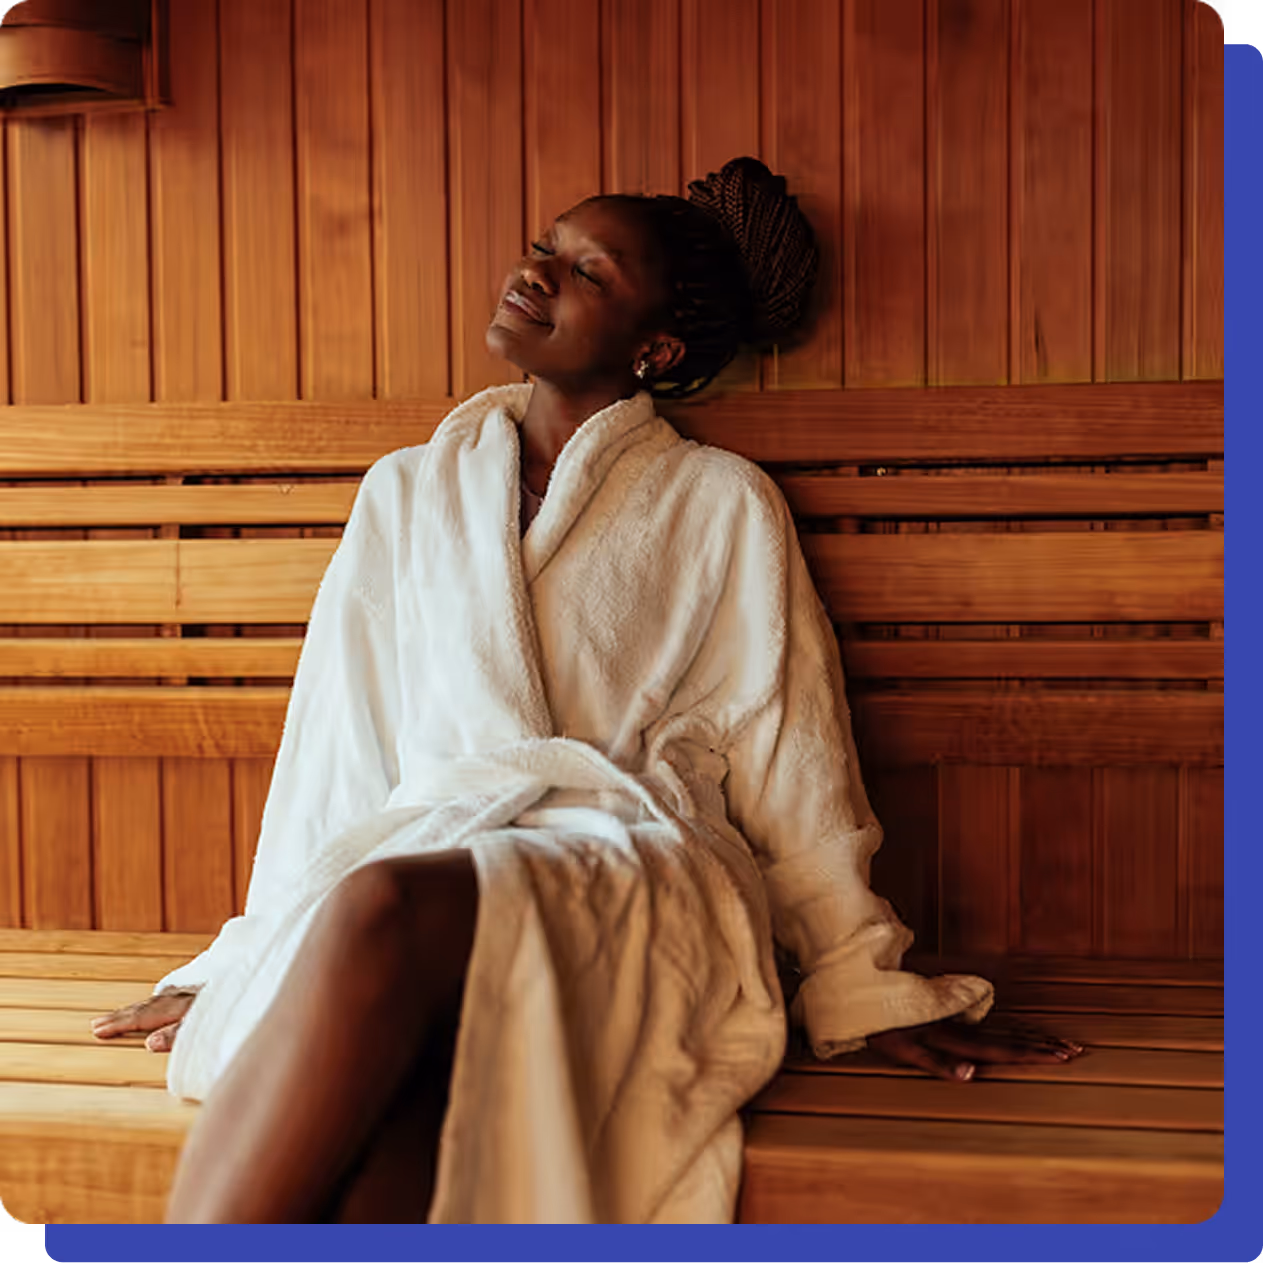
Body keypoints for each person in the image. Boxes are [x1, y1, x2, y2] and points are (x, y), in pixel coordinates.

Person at [91, 157, 1082, 1224]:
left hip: (635, 867)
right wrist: (253, 951)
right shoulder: (410, 490)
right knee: (402, 1110)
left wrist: (856, 976)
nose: (537, 273)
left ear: (654, 350)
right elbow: (340, 745)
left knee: (381, 905)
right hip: (443, 860)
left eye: (586, 271)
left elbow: (789, 749)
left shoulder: (720, 504)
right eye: (544, 247)